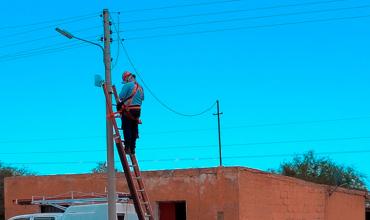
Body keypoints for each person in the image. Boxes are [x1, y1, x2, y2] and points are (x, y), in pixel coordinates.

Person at [117, 71, 144, 154]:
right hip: (138, 111)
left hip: (129, 110)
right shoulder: (140, 87)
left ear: (127, 78)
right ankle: (133, 149)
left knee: (127, 128)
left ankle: (127, 147)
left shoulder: (127, 85)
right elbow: (142, 98)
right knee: (134, 129)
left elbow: (120, 96)